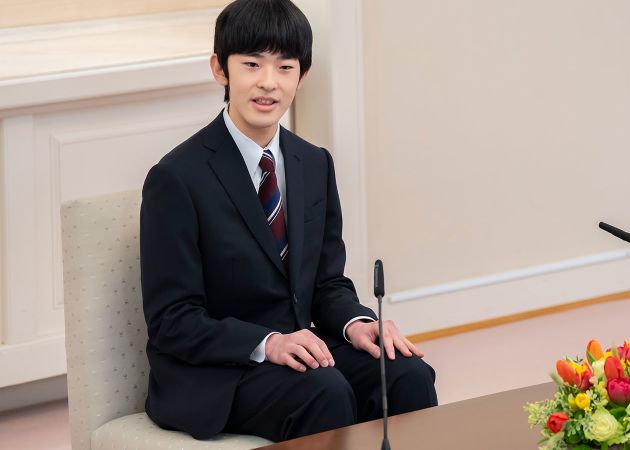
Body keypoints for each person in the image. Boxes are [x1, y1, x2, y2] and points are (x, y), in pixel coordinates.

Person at [139, 0, 437, 442]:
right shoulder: (176, 179)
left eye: (284, 67)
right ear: (220, 70)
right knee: (325, 392)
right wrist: (270, 343)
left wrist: (357, 323)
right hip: (220, 373)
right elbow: (173, 321)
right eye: (252, 64)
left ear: (303, 76)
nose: (267, 83)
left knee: (407, 373)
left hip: (300, 353)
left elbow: (326, 285)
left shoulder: (313, 163)